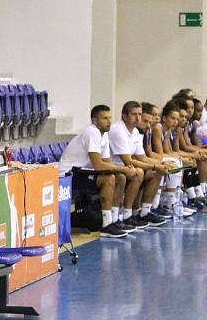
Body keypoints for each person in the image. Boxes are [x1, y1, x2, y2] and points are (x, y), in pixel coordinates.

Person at [59, 105, 135, 238]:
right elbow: (99, 165)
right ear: (95, 121)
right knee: (109, 178)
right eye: (105, 118)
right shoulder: (92, 132)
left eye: (110, 117)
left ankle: (114, 219)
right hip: (67, 174)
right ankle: (106, 225)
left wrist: (121, 171)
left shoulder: (104, 134)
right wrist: (123, 168)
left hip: (82, 171)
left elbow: (107, 163)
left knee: (120, 178)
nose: (109, 121)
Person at [107, 101, 167, 228]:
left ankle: (144, 212)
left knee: (155, 172)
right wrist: (156, 165)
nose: (138, 117)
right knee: (138, 172)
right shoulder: (118, 130)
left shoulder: (134, 132)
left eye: (140, 114)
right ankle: (127, 215)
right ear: (124, 116)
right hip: (111, 168)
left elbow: (143, 158)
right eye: (134, 114)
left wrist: (163, 164)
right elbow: (128, 161)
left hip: (123, 168)